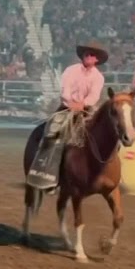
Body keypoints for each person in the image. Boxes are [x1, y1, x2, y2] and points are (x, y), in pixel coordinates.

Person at [26, 39, 108, 190]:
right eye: (86, 53)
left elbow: (94, 96)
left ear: (96, 59)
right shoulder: (71, 70)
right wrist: (71, 102)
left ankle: (97, 174)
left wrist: (82, 104)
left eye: (92, 55)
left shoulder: (98, 77)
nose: (88, 56)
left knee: (102, 137)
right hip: (66, 107)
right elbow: (65, 90)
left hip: (86, 111)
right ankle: (45, 170)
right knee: (53, 132)